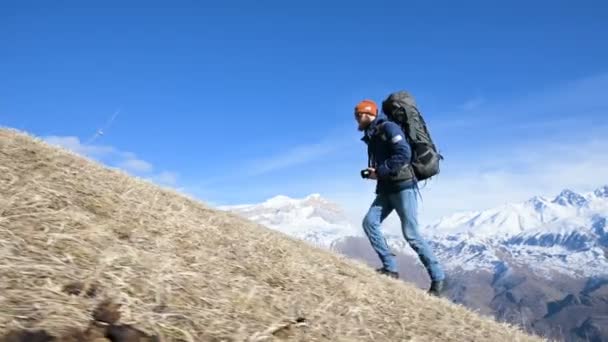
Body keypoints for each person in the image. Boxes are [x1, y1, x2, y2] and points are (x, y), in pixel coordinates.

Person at [354, 99, 446, 296]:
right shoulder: (372, 136)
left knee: (411, 234)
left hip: (404, 186)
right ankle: (390, 268)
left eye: (357, 115)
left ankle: (438, 278)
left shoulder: (388, 127)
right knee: (370, 223)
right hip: (387, 188)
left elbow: (403, 153)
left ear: (367, 114)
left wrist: (381, 170)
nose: (356, 120)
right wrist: (377, 173)